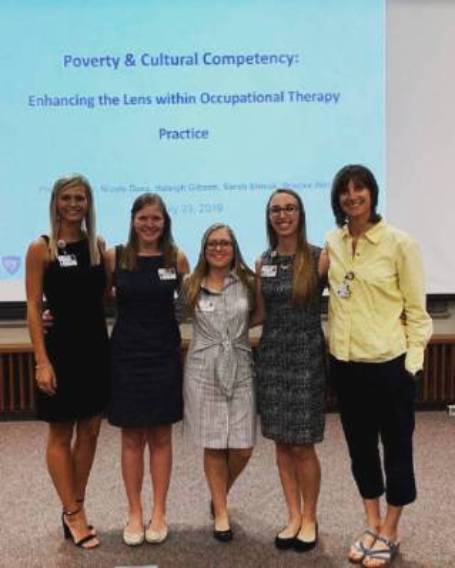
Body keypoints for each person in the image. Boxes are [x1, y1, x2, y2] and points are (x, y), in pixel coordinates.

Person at [326, 164, 433, 566]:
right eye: (345, 191)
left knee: (397, 450)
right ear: (337, 199)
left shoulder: (398, 243)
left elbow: (418, 312)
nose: (352, 197)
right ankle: (371, 522)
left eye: (360, 189)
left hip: (389, 365)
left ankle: (391, 528)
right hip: (346, 364)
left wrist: (413, 366)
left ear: (372, 194)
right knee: (360, 450)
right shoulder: (332, 242)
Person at [26, 174, 109, 549]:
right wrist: (42, 360)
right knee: (60, 432)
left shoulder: (98, 248)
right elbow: (32, 306)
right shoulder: (40, 249)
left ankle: (76, 504)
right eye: (67, 198)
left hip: (95, 350)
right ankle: (73, 514)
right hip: (59, 353)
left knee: (90, 430)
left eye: (81, 198)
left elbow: (105, 297)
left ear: (89, 204)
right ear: (55, 203)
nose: (74, 205)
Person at [106, 193, 189, 546]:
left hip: (164, 355)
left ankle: (159, 512)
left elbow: (192, 304)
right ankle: (135, 512)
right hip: (126, 354)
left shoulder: (177, 258)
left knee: (160, 436)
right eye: (144, 218)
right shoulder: (116, 256)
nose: (150, 224)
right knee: (131, 437)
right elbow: (93, 301)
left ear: (165, 221)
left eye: (156, 218)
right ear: (133, 219)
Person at [254, 188, 328, 553]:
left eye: (289, 208)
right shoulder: (262, 261)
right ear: (269, 217)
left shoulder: (318, 258)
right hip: (271, 359)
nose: (282, 215)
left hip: (306, 360)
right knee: (282, 444)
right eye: (276, 210)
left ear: (300, 214)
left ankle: (310, 516)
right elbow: (260, 313)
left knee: (303, 446)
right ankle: (293, 515)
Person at [178, 223, 256, 542]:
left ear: (234, 247)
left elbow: (261, 315)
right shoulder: (190, 283)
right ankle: (221, 511)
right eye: (212, 243)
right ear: (203, 248)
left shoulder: (249, 282)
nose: (218, 248)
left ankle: (218, 493)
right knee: (213, 442)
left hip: (239, 363)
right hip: (202, 368)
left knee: (242, 446)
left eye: (225, 242)